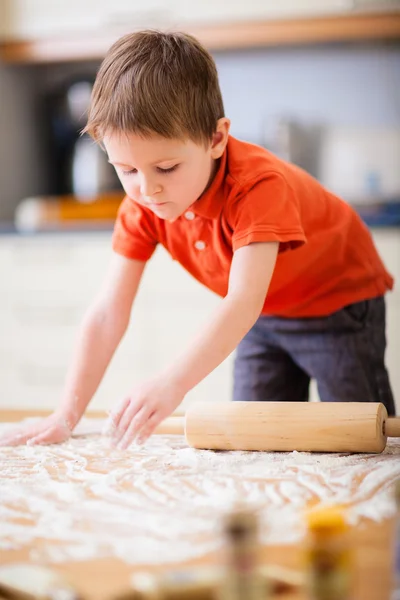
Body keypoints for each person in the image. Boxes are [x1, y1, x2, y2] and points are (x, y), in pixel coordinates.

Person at [0, 30, 395, 450]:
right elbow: (107, 313)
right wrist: (66, 414)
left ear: (217, 139)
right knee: (255, 445)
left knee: (360, 439)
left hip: (338, 306)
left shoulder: (258, 187)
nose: (147, 189)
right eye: (127, 170)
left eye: (166, 167)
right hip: (264, 318)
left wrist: (173, 383)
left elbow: (242, 300)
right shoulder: (142, 206)